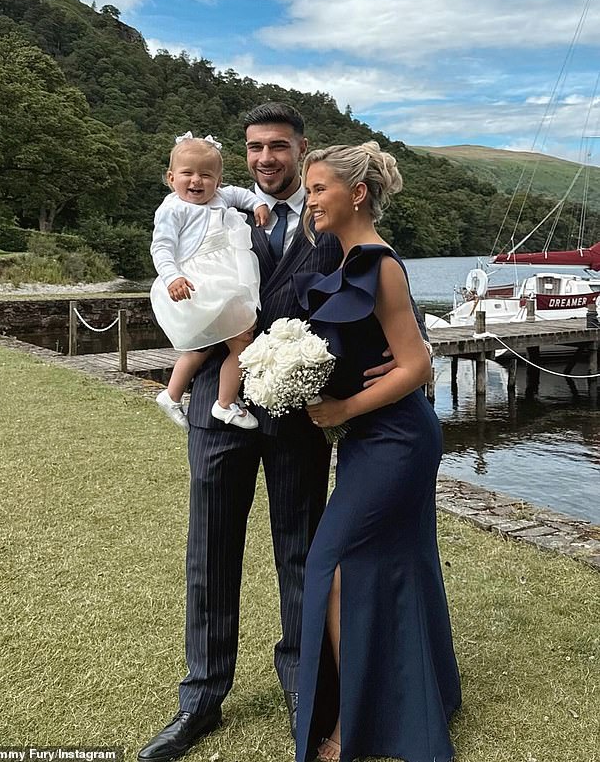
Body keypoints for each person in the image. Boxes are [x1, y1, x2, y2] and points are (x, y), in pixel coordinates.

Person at [138, 104, 427, 762]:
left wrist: (387, 362)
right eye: (253, 147)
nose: (264, 158)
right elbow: (172, 278)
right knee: (209, 552)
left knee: (301, 551)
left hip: (300, 414)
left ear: (300, 149)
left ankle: (305, 685)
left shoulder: (332, 216)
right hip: (222, 405)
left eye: (277, 146)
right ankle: (200, 699)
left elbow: (381, 289)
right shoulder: (210, 206)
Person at [294, 142, 461, 762]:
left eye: (318, 189)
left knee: (330, 567)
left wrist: (340, 411)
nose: (310, 200)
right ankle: (420, 698)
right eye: (310, 190)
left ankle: (352, 724)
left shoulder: (378, 263)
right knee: (398, 563)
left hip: (396, 438)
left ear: (355, 194)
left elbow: (416, 364)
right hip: (372, 439)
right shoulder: (342, 258)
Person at [150, 132, 270, 431]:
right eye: (187, 174)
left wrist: (257, 204)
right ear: (170, 177)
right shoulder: (172, 209)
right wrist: (172, 276)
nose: (196, 181)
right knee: (238, 341)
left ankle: (173, 394)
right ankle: (224, 402)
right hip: (195, 285)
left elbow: (242, 194)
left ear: (218, 180)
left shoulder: (221, 196)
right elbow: (161, 247)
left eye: (206, 175)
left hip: (223, 280)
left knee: (207, 346)